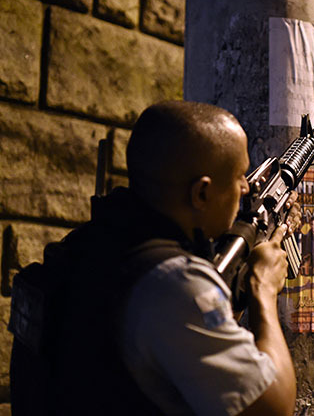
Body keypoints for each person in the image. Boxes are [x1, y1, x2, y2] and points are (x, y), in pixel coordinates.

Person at [21, 101, 298, 415]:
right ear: (202, 194)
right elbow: (271, 407)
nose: (246, 187)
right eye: (238, 177)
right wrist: (263, 289)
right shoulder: (174, 283)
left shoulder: (88, 245)